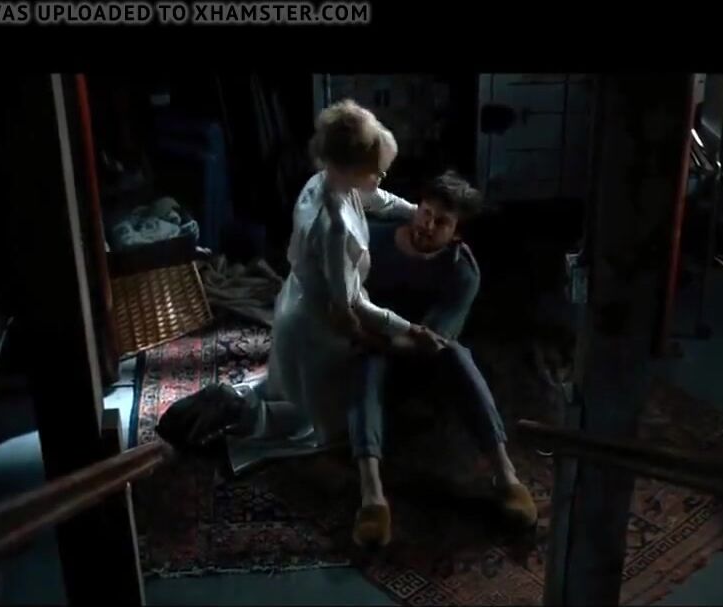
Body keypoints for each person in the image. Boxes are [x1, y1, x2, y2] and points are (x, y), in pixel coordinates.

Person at [157, 100, 450, 473]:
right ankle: (237, 409)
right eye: (377, 171)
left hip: (294, 302)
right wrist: (409, 329)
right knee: (308, 422)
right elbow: (352, 304)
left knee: (288, 387)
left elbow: (378, 199)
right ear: (352, 168)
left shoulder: (324, 181)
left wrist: (416, 215)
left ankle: (237, 400)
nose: (381, 178)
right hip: (315, 323)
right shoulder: (336, 229)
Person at [346, 171, 537, 549]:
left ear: (457, 233)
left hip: (417, 353)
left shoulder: (462, 271)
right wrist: (362, 333)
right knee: (366, 367)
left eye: (442, 222)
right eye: (425, 212)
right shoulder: (372, 237)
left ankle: (506, 474)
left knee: (458, 357)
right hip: (370, 342)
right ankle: (372, 495)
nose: (427, 225)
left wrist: (379, 337)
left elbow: (432, 344)